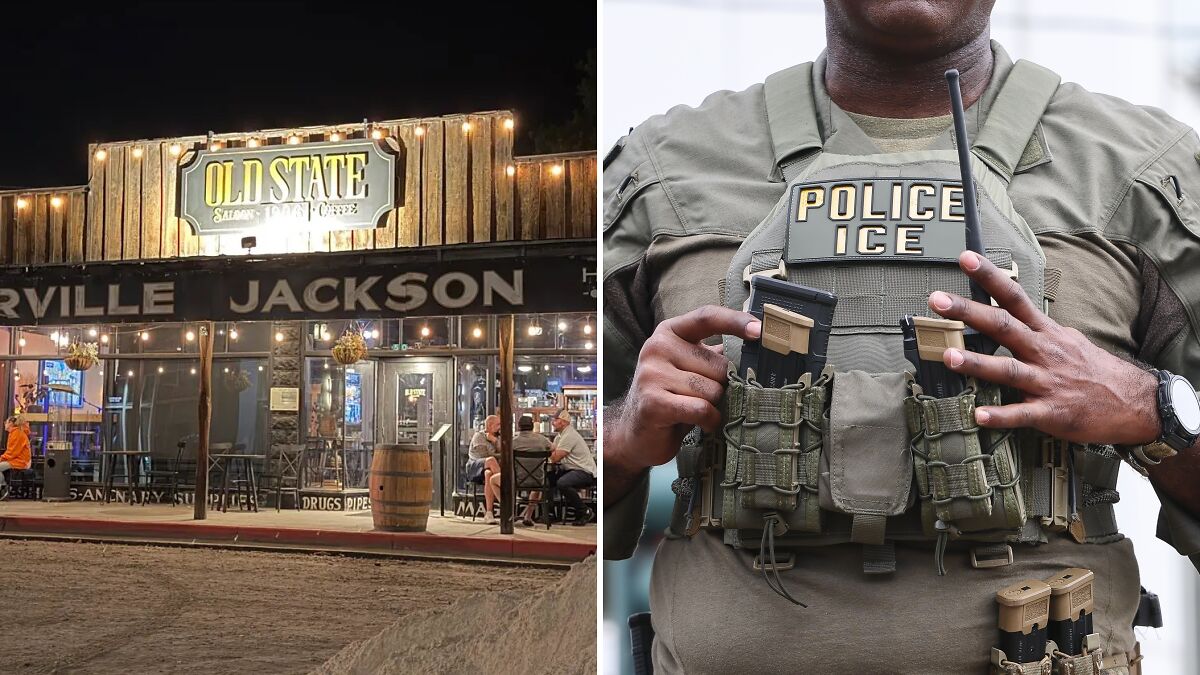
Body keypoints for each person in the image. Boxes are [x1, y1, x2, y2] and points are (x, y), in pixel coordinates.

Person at [603, 2, 1200, 672]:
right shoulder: (661, 175)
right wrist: (623, 432)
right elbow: (569, 491)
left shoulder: (1143, 174)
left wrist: (1150, 409)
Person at [550, 409, 596, 526]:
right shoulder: (559, 436)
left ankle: (585, 511)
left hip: (584, 471)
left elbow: (555, 458)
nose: (552, 422)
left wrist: (550, 451)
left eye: (555, 420)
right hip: (571, 470)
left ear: (563, 422)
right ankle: (551, 514)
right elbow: (553, 453)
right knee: (546, 479)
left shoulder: (569, 435)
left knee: (563, 483)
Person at [504, 415, 551, 527]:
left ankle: (509, 512)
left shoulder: (513, 441)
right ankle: (528, 515)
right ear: (532, 426)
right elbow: (553, 448)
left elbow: (503, 452)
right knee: (538, 484)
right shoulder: (542, 440)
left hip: (518, 480)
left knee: (493, 480)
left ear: (519, 426)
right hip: (538, 480)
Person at [466, 415, 502, 524]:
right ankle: (505, 489)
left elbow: (504, 451)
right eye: (498, 424)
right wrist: (499, 455)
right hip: (474, 467)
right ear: (490, 425)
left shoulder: (497, 437)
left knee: (488, 474)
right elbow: (484, 456)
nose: (500, 427)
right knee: (491, 460)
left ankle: (489, 513)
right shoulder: (479, 436)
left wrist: (495, 441)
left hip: (488, 468)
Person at [0, 415, 32, 500]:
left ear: (10, 423)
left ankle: (3, 490)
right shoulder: (14, 432)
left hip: (21, 461)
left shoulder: (16, 433)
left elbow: (12, 453)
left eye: (6, 422)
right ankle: (3, 488)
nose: (4, 424)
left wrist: (1, 458)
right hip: (17, 460)